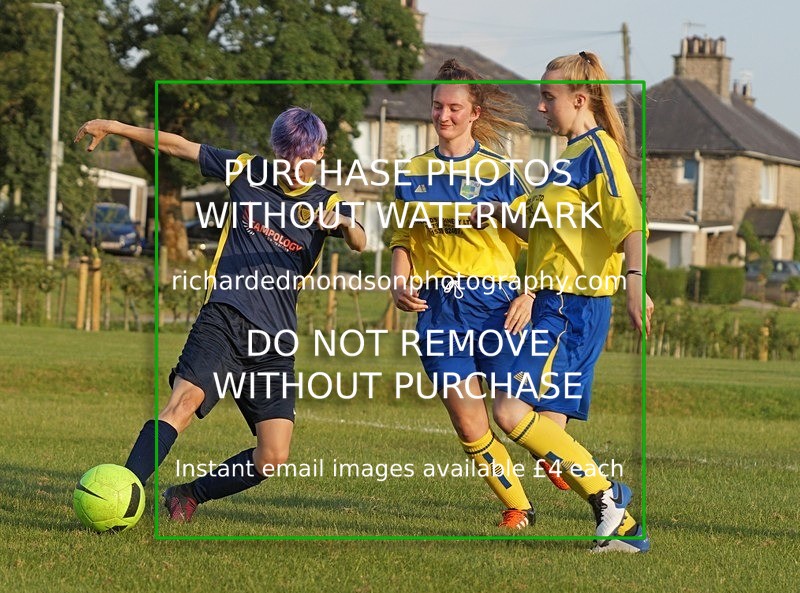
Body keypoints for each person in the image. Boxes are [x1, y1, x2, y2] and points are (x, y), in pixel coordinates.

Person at [74, 108, 366, 522]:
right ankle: (123, 493)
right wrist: (113, 126)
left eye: (303, 159)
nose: (292, 168)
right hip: (224, 318)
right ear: (276, 150)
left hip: (274, 342)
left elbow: (361, 241)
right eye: (285, 158)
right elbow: (177, 145)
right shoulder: (247, 171)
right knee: (183, 404)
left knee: (273, 456)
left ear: (319, 154)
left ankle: (188, 494)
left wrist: (341, 222)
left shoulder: (325, 203)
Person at [472, 51, 653, 552]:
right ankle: (622, 523)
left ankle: (610, 502)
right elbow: (544, 232)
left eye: (549, 97)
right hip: (553, 303)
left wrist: (636, 281)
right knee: (542, 432)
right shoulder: (568, 159)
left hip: (573, 308)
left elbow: (629, 223)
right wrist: (500, 214)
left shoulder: (599, 153)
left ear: (579, 99)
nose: (540, 107)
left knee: (510, 414)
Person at [390, 59, 565, 530]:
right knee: (470, 424)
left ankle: (562, 452)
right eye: (437, 106)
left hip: (496, 306)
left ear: (474, 113)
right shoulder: (411, 173)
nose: (443, 116)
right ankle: (518, 507)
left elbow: (541, 238)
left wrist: (528, 291)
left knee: (514, 414)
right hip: (438, 309)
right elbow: (403, 241)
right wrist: (400, 280)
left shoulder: (500, 171)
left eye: (454, 107)